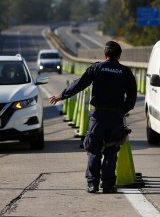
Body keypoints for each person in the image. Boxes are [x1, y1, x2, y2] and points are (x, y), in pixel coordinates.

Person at [49, 41, 137, 193]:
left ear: (105, 54)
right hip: (115, 117)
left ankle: (92, 184)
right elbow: (132, 97)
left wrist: (61, 96)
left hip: (98, 116)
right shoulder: (125, 72)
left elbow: (79, 84)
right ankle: (108, 185)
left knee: (94, 150)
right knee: (111, 150)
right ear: (119, 55)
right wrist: (123, 110)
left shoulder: (96, 68)